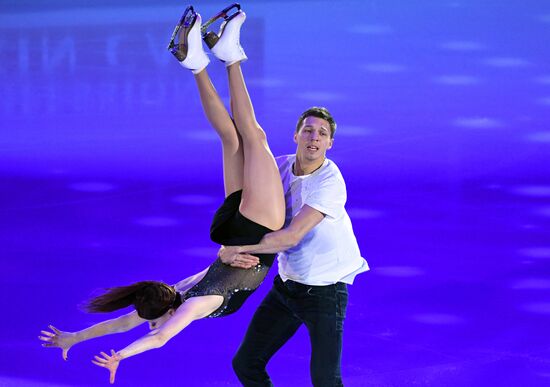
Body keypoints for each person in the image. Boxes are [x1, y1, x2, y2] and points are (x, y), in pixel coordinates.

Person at [38, 6, 285, 384]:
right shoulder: (174, 291)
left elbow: (159, 337)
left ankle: (230, 56)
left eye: (153, 318)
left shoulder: (191, 303)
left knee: (252, 137)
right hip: (233, 225)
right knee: (232, 138)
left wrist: (121, 356)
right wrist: (74, 337)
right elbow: (123, 322)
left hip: (255, 226)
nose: (150, 322)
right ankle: (199, 63)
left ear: (166, 309)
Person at [218, 103, 369, 385]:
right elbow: (245, 209)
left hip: (326, 291)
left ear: (329, 143)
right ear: (296, 135)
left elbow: (291, 236)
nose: (314, 137)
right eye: (308, 130)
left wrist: (240, 249)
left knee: (325, 380)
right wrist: (229, 243)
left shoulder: (329, 181)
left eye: (322, 134)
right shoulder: (278, 166)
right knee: (246, 363)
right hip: (287, 286)